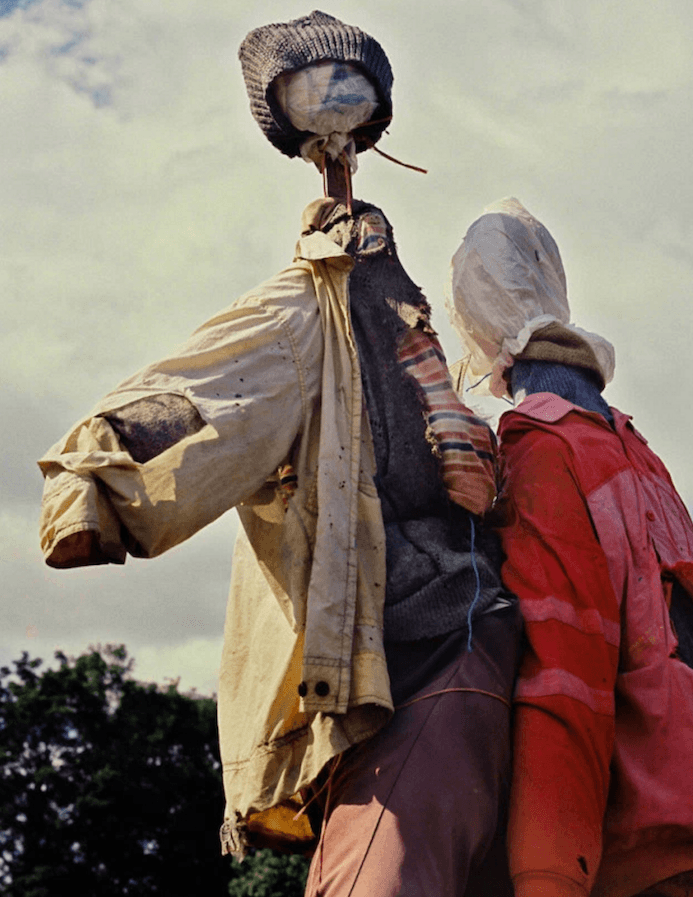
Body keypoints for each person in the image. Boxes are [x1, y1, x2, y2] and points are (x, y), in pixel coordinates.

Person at [38, 13, 519, 896]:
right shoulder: (335, 315)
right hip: (465, 655)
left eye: (351, 99)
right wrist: (97, 475)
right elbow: (203, 395)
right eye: (319, 100)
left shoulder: (350, 319)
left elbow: (209, 388)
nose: (337, 121)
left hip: (432, 657)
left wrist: (95, 477)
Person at [447, 198, 693, 897]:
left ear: (476, 328)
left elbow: (565, 678)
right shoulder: (639, 455)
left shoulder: (544, 450)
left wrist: (547, 881)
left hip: (642, 868)